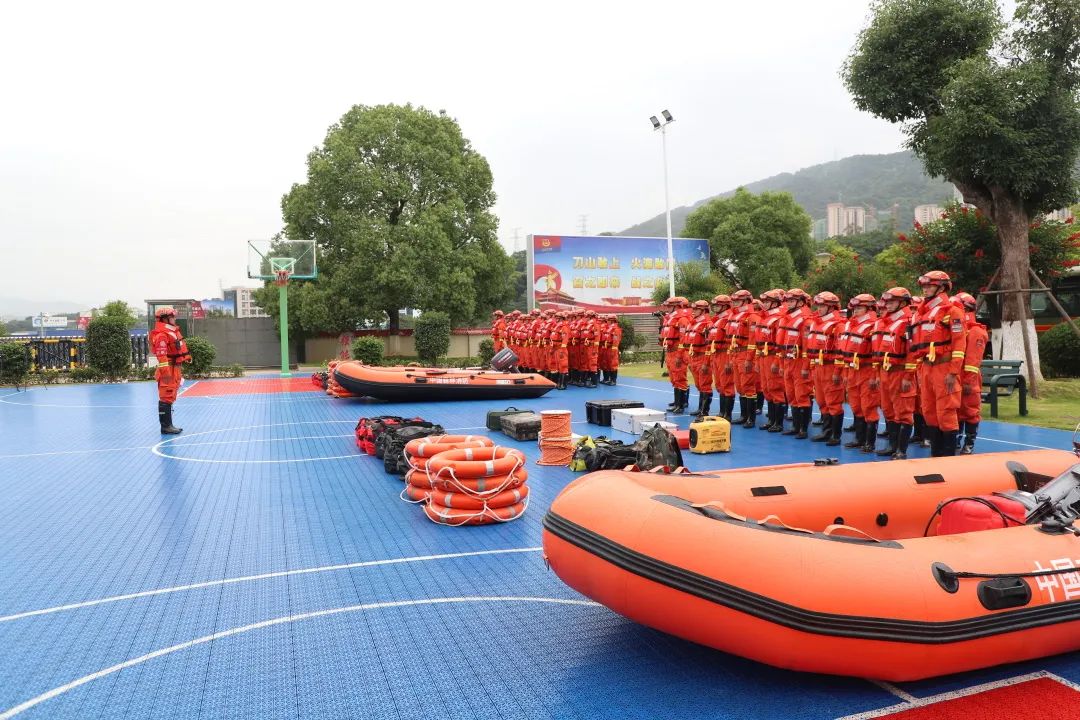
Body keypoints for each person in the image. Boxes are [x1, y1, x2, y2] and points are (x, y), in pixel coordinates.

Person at [910, 271, 968, 457]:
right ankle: (935, 455)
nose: (925, 289)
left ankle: (948, 457)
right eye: (924, 286)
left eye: (930, 285)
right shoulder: (922, 314)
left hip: (944, 368)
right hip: (926, 368)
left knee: (946, 411)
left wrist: (953, 372)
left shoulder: (952, 312)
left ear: (942, 287)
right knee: (929, 411)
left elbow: (959, 344)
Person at [874, 288, 917, 458]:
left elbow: (911, 352)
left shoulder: (908, 322)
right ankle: (892, 446)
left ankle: (901, 450)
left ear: (903, 303)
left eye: (892, 302)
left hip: (900, 373)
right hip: (886, 372)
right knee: (888, 410)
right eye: (887, 302)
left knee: (903, 412)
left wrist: (908, 376)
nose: (888, 305)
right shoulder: (887, 322)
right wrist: (879, 374)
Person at [805, 292, 844, 446]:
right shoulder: (816, 323)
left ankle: (835, 435)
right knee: (821, 400)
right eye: (818, 306)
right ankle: (826, 431)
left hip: (830, 367)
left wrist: (837, 371)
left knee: (833, 401)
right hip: (818, 366)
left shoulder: (838, 325)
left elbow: (841, 350)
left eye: (822, 306)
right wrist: (811, 366)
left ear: (831, 307)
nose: (819, 309)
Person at [842, 294, 880, 452]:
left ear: (869, 309)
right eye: (854, 308)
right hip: (852, 369)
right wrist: (846, 373)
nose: (856, 310)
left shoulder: (873, 326)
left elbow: (876, 354)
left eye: (859, 308)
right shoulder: (851, 325)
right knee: (856, 405)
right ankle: (859, 439)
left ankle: (869, 443)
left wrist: (874, 376)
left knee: (868, 406)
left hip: (866, 370)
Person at [954, 292, 987, 453]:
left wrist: (968, 381)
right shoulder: (960, 328)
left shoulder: (975, 332)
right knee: (957, 409)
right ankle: (956, 440)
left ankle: (969, 443)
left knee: (970, 410)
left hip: (969, 377)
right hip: (957, 375)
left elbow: (973, 360)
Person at [150, 307, 191, 434]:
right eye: (172, 317)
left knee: (170, 395)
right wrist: (166, 373)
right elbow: (161, 356)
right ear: (165, 319)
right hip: (168, 369)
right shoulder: (161, 335)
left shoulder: (170, 332)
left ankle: (169, 425)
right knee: (166, 396)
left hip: (174, 368)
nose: (174, 318)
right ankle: (165, 426)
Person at [778, 289, 813, 439]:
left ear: (801, 303)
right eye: (788, 301)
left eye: (792, 301)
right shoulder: (788, 318)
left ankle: (803, 429)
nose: (788, 304)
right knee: (791, 394)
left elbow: (806, 347)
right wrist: (781, 364)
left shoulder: (806, 321)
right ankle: (795, 426)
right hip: (788, 361)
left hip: (799, 362)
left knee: (801, 395)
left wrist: (805, 367)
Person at [725, 290, 760, 427]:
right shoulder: (735, 316)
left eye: (738, 300)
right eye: (734, 301)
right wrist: (730, 357)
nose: (735, 303)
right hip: (736, 354)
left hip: (745, 354)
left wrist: (749, 359)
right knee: (740, 387)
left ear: (746, 301)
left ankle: (751, 418)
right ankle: (743, 415)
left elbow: (753, 341)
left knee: (748, 386)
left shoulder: (751, 317)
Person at [754, 289, 788, 431]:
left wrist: (776, 362)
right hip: (763, 357)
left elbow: (780, 344)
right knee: (766, 388)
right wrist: (757, 361)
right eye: (764, 301)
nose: (765, 304)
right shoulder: (764, 318)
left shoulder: (778, 319)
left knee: (775, 388)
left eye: (768, 301)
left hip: (773, 356)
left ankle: (778, 423)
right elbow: (758, 343)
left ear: (775, 303)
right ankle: (771, 420)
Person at [685, 300, 715, 419]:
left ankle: (704, 411)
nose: (693, 311)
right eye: (693, 309)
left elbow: (709, 345)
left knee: (705, 384)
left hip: (702, 357)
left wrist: (706, 362)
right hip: (694, 357)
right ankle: (700, 408)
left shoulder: (707, 324)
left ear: (703, 310)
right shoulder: (693, 324)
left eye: (696, 309)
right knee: (699, 384)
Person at [707, 295, 734, 420]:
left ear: (725, 306)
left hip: (724, 354)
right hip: (716, 354)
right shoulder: (717, 320)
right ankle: (722, 412)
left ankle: (727, 414)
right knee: (719, 385)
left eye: (718, 305)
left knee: (727, 384)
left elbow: (730, 342)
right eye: (715, 305)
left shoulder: (728, 320)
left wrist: (729, 361)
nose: (715, 307)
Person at [662, 297, 692, 413]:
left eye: (669, 306)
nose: (667, 308)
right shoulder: (670, 319)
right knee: (674, 378)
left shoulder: (682, 320)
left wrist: (679, 355)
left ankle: (681, 404)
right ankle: (677, 402)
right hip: (670, 352)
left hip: (678, 352)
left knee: (680, 378)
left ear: (676, 306)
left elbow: (683, 339)